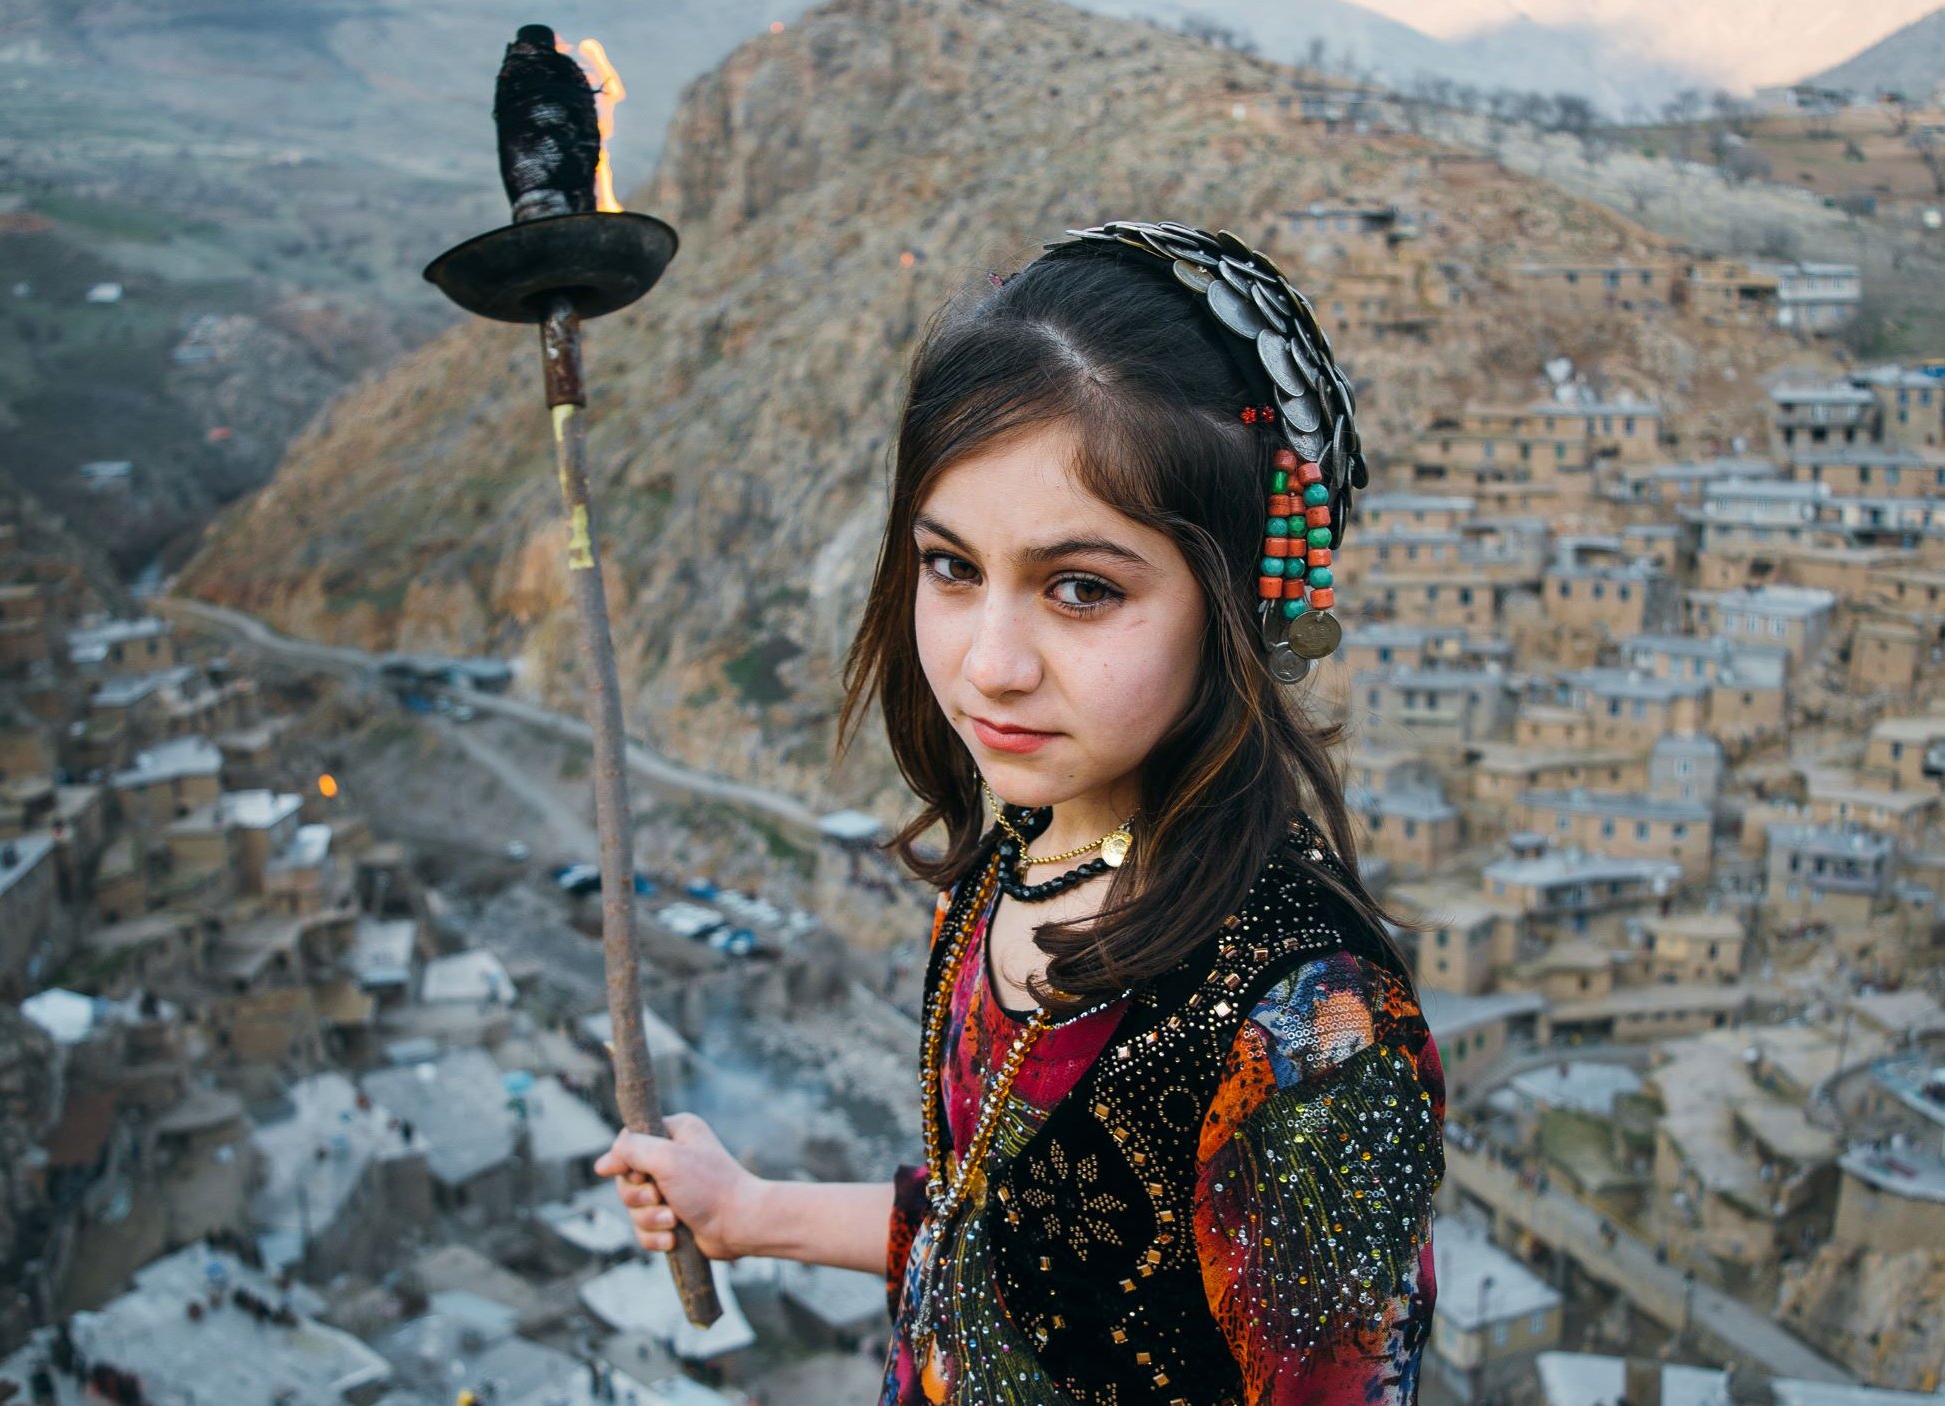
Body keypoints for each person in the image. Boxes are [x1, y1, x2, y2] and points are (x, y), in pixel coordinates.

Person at [596, 221, 1451, 1404]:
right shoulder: (1019, 856)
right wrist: (752, 1211)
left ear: (1237, 598)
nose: (990, 664)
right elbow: (1003, 1237)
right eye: (952, 567)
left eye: (1081, 588)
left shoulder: (1309, 1031)